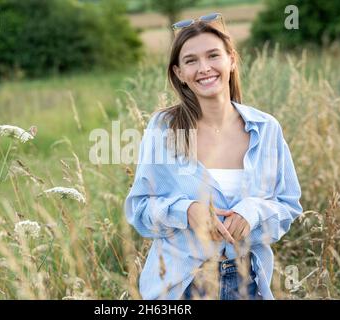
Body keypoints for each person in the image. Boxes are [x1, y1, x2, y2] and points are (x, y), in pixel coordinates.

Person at [124, 13, 302, 300]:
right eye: (191, 60)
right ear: (179, 73)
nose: (204, 68)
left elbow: (288, 207)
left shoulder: (266, 128)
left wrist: (254, 212)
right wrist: (187, 211)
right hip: (181, 286)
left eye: (213, 55)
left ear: (231, 60)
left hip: (249, 282)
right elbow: (140, 210)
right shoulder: (163, 129)